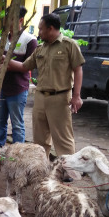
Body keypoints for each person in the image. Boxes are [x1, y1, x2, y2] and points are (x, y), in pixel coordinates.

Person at [8, 13, 85, 158]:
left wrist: (77, 96)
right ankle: (40, 167)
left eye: (41, 29)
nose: (39, 32)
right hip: (40, 98)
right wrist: (6, 61)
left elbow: (78, 69)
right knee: (40, 139)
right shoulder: (40, 48)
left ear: (50, 28)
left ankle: (67, 171)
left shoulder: (69, 45)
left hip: (60, 98)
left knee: (63, 137)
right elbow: (25, 66)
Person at [0, 6, 38, 147]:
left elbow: (29, 65)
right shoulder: (2, 39)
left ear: (20, 20)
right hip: (1, 87)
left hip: (18, 89)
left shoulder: (30, 40)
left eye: (11, 20)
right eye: (7, 19)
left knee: (17, 124)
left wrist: (6, 62)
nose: (8, 23)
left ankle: (18, 154)